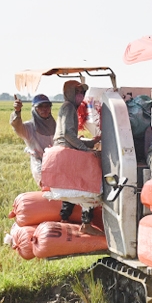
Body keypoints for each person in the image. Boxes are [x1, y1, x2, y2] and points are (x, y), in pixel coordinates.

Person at [53, 80, 102, 235]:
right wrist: (84, 149)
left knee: (75, 188)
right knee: (90, 185)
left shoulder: (69, 108)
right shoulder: (68, 107)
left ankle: (67, 218)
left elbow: (70, 135)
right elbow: (67, 133)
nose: (81, 96)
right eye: (78, 92)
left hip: (65, 149)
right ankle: (86, 223)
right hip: (66, 150)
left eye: (82, 93)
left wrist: (91, 142)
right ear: (70, 93)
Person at [10, 94, 55, 187]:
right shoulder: (29, 128)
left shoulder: (56, 126)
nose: (44, 109)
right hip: (40, 165)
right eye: (40, 106)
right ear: (34, 109)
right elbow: (17, 126)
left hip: (56, 163)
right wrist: (17, 112)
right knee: (48, 189)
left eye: (47, 106)